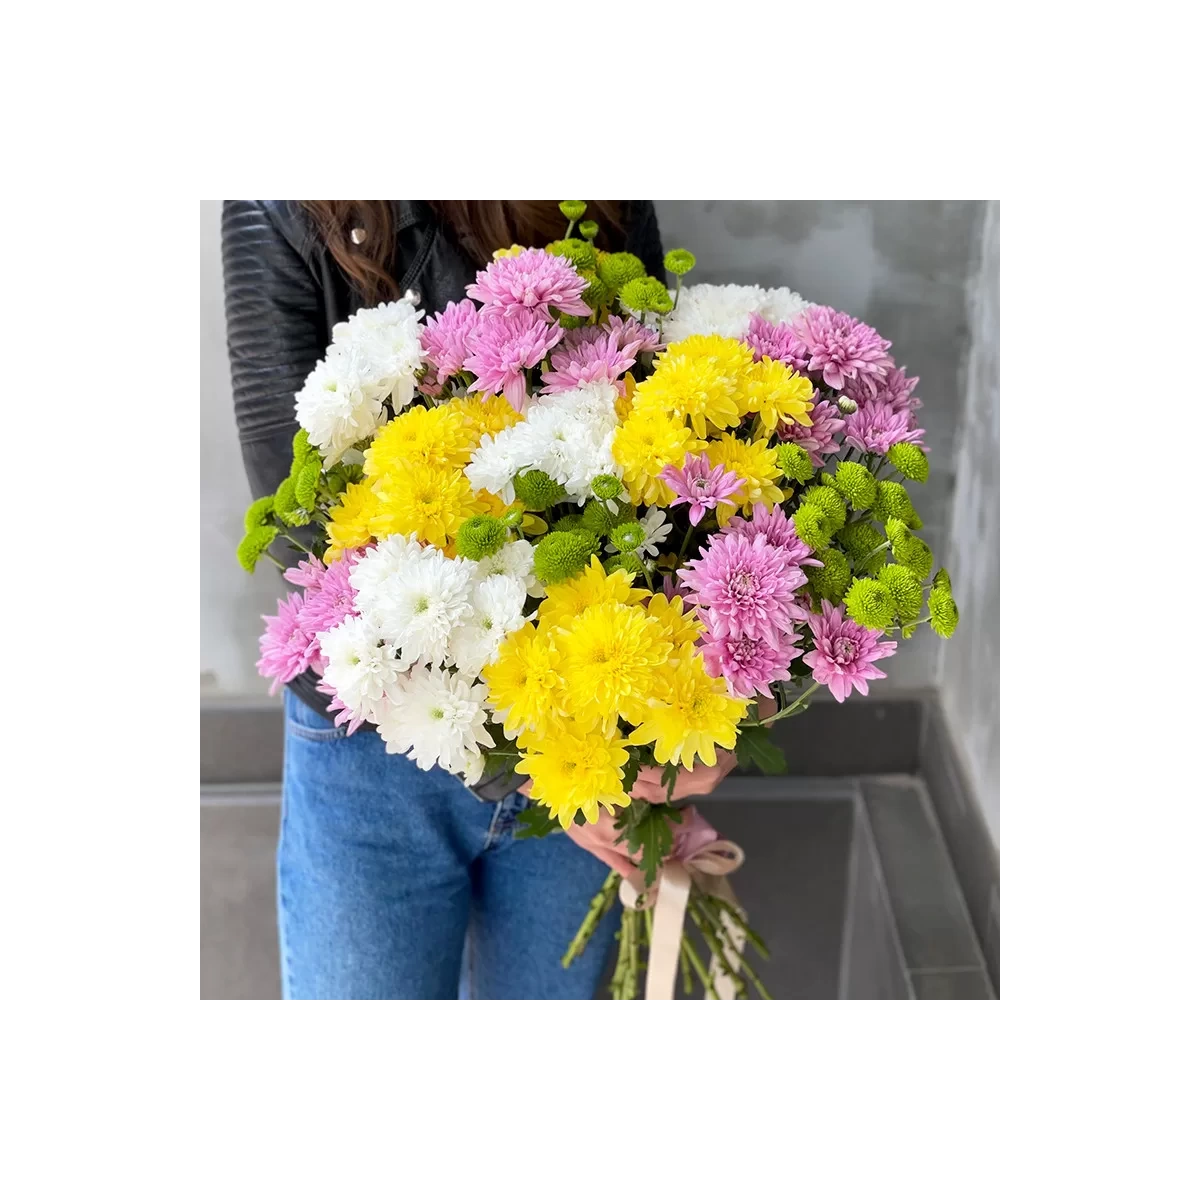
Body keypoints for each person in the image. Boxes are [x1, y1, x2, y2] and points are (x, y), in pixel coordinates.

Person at [222, 200, 743, 1000]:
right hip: (378, 738)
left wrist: (694, 711)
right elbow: (304, 525)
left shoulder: (594, 186)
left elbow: (655, 445)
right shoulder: (282, 199)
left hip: (577, 710)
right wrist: (544, 759)